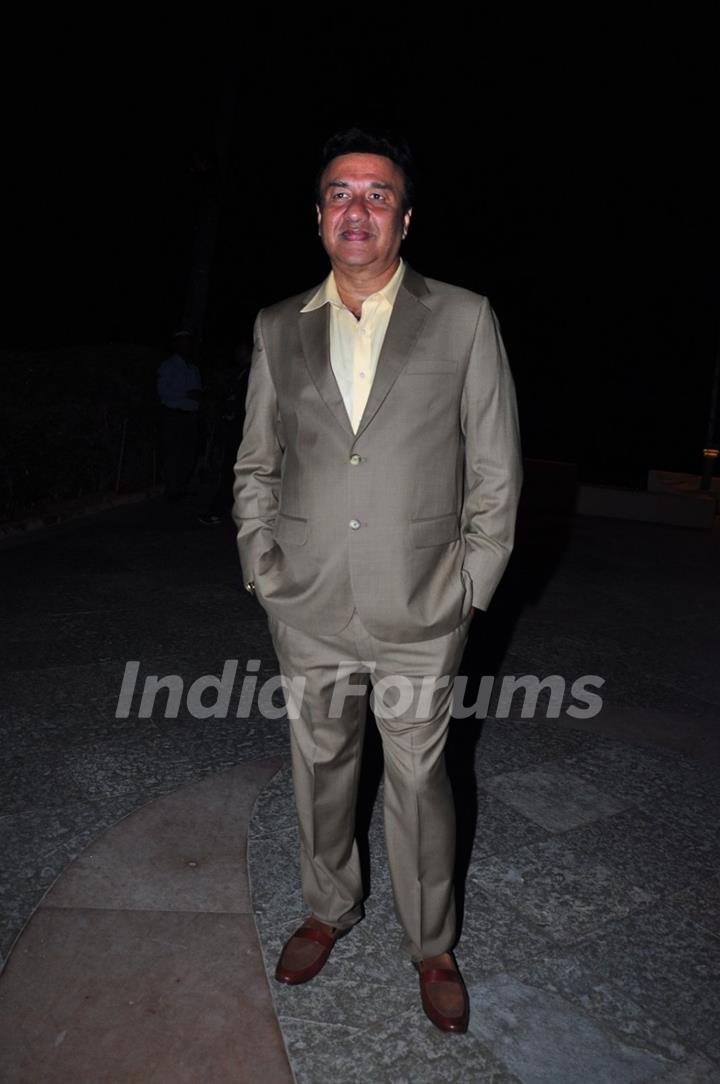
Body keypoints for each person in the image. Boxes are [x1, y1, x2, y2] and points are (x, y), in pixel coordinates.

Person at [232, 127, 522, 1033]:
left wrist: (469, 586)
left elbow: (497, 470)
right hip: (307, 601)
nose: (358, 208)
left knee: (418, 778)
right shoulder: (279, 326)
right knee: (318, 766)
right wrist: (261, 565)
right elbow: (256, 463)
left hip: (421, 603)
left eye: (378, 194)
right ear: (319, 217)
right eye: (341, 194)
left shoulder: (466, 317)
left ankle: (431, 942)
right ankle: (328, 909)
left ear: (404, 217)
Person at [157, 331, 202, 499]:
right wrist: (186, 393)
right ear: (176, 345)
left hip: (191, 415)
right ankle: (172, 489)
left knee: (188, 453)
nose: (187, 346)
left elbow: (197, 391)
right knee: (173, 452)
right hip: (174, 415)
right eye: (183, 343)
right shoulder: (168, 366)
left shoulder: (193, 367)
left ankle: (182, 487)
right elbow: (163, 393)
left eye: (189, 343)